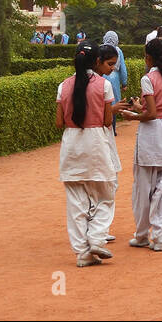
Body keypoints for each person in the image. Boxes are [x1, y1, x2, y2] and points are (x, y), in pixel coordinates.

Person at [55, 43, 123, 266]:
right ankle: (95, 238)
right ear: (96, 62)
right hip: (96, 145)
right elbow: (106, 120)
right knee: (106, 195)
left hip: (71, 146)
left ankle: (82, 254)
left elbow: (58, 122)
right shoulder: (103, 85)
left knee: (76, 204)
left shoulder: (63, 86)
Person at [121, 37, 162, 251]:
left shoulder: (148, 78)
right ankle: (160, 236)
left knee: (142, 188)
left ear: (149, 57)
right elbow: (158, 109)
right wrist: (140, 108)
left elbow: (152, 113)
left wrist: (132, 115)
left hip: (150, 135)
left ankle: (142, 234)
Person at [102, 30, 129, 137]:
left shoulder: (101, 49)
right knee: (113, 103)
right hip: (115, 78)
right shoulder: (118, 50)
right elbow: (123, 69)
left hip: (102, 76)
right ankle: (112, 129)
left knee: (103, 102)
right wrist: (124, 83)